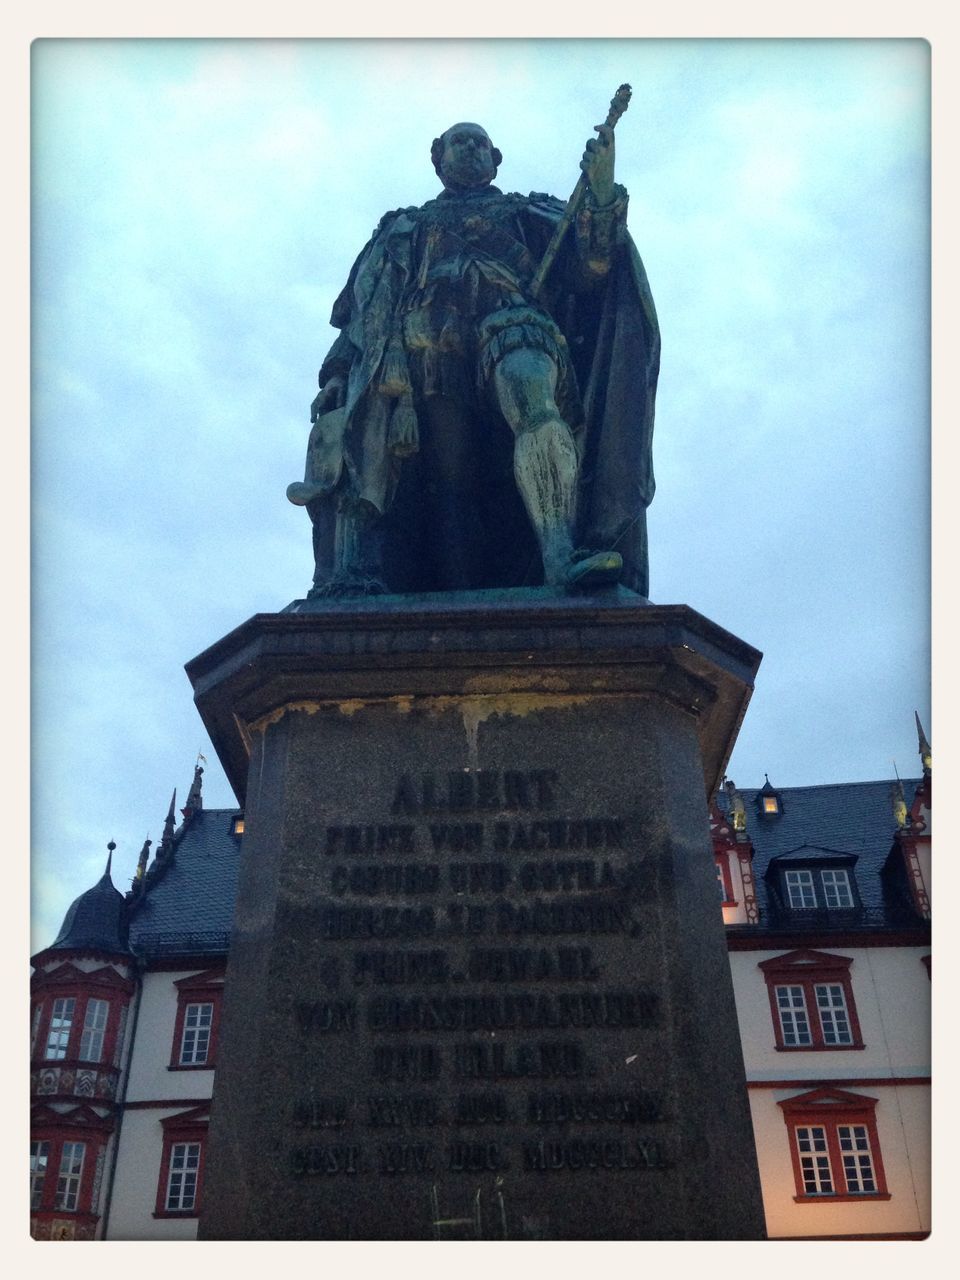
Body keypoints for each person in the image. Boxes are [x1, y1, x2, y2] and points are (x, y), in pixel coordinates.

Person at [290, 118, 660, 597]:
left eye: (479, 142)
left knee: (534, 401)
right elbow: (365, 311)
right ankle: (451, 595)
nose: (469, 149)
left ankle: (560, 553)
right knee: (450, 479)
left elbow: (593, 267)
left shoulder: (529, 213)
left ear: (496, 157)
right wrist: (340, 373)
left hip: (512, 324)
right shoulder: (404, 225)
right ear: (436, 156)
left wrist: (603, 189)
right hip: (424, 351)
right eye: (457, 142)